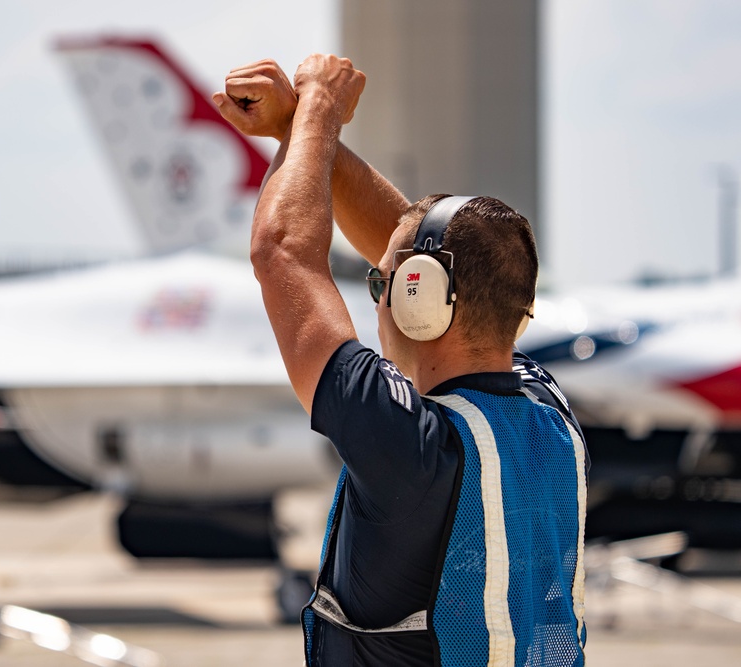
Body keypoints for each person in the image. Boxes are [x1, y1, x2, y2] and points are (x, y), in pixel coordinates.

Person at [213, 56, 588, 666]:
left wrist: (321, 112)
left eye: (379, 283)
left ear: (419, 301)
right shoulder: (548, 413)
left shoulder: (410, 447)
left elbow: (283, 252)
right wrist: (303, 132)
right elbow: (424, 249)